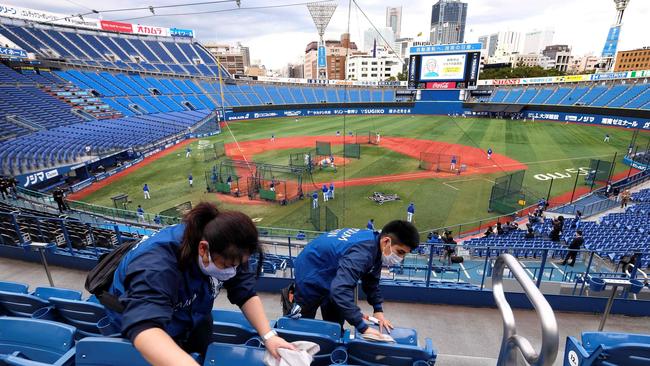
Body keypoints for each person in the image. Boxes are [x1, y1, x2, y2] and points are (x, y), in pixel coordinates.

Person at [102, 203, 294, 365]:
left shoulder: (228, 243)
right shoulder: (157, 265)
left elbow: (244, 292)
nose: (232, 272)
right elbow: (144, 327)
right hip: (143, 323)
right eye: (227, 265)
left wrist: (269, 337)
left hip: (192, 312)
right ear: (203, 248)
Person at [291, 221, 420, 336]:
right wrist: (363, 327)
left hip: (333, 272)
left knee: (335, 325)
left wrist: (378, 310)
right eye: (400, 252)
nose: (400, 258)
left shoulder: (376, 245)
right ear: (386, 241)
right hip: (311, 273)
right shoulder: (363, 253)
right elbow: (340, 289)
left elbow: (371, 281)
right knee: (302, 326)